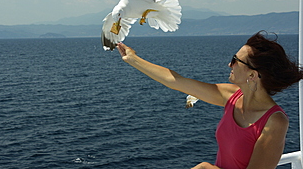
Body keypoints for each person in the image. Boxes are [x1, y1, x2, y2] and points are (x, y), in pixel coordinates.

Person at [116, 31, 303, 169]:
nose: (230, 64)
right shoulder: (232, 96)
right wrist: (133, 59)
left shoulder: (274, 122)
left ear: (252, 75)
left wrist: (207, 168)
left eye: (236, 61)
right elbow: (177, 82)